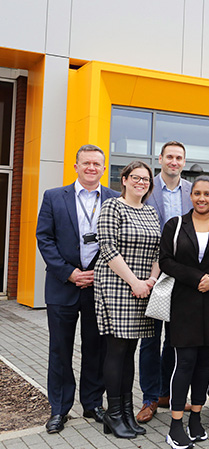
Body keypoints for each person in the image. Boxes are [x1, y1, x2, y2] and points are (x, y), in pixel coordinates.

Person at [36, 144, 120, 434]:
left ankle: (93, 403)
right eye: (86, 163)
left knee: (95, 348)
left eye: (97, 164)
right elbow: (44, 238)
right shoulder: (53, 197)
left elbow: (117, 241)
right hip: (63, 286)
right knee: (60, 349)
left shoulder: (114, 198)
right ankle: (59, 409)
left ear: (104, 169)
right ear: (76, 166)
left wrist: (104, 270)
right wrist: (69, 273)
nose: (91, 168)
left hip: (99, 285)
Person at [158, 176, 209, 449]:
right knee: (185, 363)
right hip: (185, 304)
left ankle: (196, 419)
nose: (202, 198)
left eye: (207, 194)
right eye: (197, 194)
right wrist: (196, 277)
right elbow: (165, 260)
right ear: (191, 197)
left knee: (204, 365)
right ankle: (175, 424)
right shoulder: (176, 225)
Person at [94, 161, 161, 439]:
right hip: (117, 286)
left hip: (144, 288)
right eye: (136, 177)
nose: (141, 183)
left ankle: (125, 412)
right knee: (117, 351)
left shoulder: (151, 211)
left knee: (131, 351)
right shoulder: (113, 206)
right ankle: (112, 413)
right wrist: (134, 282)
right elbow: (107, 247)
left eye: (145, 179)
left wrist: (151, 282)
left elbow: (160, 249)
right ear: (124, 180)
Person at [137, 141, 193, 423]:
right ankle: (148, 399)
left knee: (174, 338)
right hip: (151, 274)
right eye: (169, 157)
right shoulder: (147, 188)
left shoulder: (190, 191)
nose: (174, 161)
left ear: (184, 162)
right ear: (160, 159)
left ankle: (166, 392)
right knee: (149, 339)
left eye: (179, 158)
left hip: (180, 275)